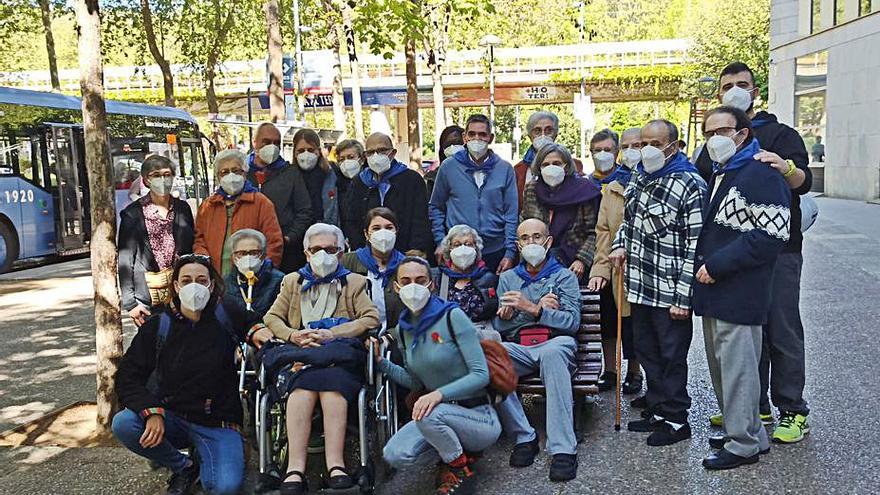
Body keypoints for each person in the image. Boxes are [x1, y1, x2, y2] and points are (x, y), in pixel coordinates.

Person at [696, 62, 813, 443]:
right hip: (732, 260)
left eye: (741, 84)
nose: (734, 90)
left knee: (780, 328)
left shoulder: (780, 135)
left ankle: (792, 409)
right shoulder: (714, 148)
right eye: (727, 86)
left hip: (777, 252)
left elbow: (802, 181)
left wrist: (784, 167)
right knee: (745, 333)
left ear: (755, 91)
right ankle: (751, 408)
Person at [693, 106, 791, 469]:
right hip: (716, 291)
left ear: (743, 134)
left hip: (739, 288)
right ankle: (750, 432)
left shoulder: (760, 173)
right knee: (726, 370)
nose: (715, 139)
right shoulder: (726, 172)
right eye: (708, 133)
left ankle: (743, 444)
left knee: (738, 371)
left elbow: (771, 235)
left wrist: (718, 265)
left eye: (722, 131)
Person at [250, 223, 379, 495]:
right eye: (317, 249)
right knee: (301, 392)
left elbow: (370, 318)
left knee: (332, 390)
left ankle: (336, 465)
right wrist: (294, 335)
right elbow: (272, 317)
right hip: (301, 354)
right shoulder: (292, 281)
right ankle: (294, 468)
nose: (324, 254)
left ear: (342, 253)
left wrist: (333, 333)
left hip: (337, 355)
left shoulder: (354, 282)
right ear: (307, 253)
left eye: (331, 249)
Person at [113, 254, 257, 495]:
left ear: (211, 284)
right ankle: (183, 466)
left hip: (217, 421)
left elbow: (255, 324)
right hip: (172, 417)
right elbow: (127, 376)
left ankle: (218, 453)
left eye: (201, 280)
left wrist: (259, 332)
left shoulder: (226, 313)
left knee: (224, 488)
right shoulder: (159, 324)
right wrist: (151, 412)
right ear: (176, 286)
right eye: (187, 280)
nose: (194, 286)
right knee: (124, 423)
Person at [609, 119, 707, 446]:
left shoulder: (690, 183)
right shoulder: (639, 177)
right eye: (643, 142)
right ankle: (658, 410)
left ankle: (678, 420)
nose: (647, 149)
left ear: (673, 146)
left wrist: (684, 297)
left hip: (670, 291)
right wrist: (619, 244)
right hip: (639, 286)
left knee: (671, 356)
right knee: (648, 352)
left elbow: (696, 244)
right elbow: (629, 222)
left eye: (655, 143)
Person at [377, 257, 501, 495]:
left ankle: (460, 468)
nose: (413, 287)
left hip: (478, 416)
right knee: (395, 453)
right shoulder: (404, 330)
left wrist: (437, 395)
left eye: (420, 280)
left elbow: (481, 374)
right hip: (436, 414)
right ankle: (451, 454)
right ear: (396, 287)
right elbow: (416, 381)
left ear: (431, 284)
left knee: (428, 414)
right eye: (406, 281)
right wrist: (382, 363)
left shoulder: (451, 316)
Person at [493, 218, 581, 481]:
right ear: (518, 245)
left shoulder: (564, 276)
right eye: (525, 238)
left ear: (548, 241)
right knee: (491, 355)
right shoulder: (508, 278)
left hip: (556, 343)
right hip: (521, 346)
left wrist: (532, 308)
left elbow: (571, 323)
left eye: (536, 237)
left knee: (553, 354)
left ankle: (563, 449)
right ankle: (524, 436)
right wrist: (513, 314)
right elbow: (501, 326)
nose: (531, 243)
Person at [588, 127, 643, 395]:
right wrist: (600, 269)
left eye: (639, 145)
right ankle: (610, 370)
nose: (632, 151)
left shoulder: (651, 180)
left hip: (642, 269)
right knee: (609, 321)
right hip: (613, 265)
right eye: (627, 146)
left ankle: (635, 372)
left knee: (635, 325)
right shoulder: (612, 186)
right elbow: (603, 232)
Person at [429, 114, 518, 274]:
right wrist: (441, 241)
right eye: (472, 134)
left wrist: (510, 252)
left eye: (482, 134)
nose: (477, 139)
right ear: (465, 137)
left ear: (490, 138)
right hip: (458, 249)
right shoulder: (449, 167)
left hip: (495, 251)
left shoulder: (505, 169)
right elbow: (436, 206)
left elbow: (511, 214)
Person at [119, 155, 195, 327]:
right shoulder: (132, 214)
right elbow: (125, 259)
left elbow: (190, 248)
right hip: (147, 297)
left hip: (180, 293)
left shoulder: (182, 209)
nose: (163, 179)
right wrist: (130, 303)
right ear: (146, 180)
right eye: (156, 175)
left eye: (167, 174)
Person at [194, 150, 283, 276]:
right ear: (218, 177)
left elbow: (274, 244)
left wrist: (262, 274)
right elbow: (199, 240)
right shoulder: (208, 206)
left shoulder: (261, 203)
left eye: (236, 171)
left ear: (245, 174)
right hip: (215, 277)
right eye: (224, 172)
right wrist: (205, 266)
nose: (230, 176)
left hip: (251, 279)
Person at [520, 142, 599, 280]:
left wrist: (581, 260)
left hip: (573, 260)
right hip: (538, 260)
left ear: (566, 166)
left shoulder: (584, 190)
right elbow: (526, 223)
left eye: (556, 163)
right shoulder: (532, 189)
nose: (551, 168)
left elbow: (593, 232)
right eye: (545, 164)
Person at [344, 133, 433, 255]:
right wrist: (361, 251)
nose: (376, 155)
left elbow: (420, 217)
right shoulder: (359, 182)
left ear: (393, 153)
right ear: (365, 156)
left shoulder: (412, 179)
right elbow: (351, 220)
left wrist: (416, 247)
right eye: (370, 152)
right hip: (368, 255)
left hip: (405, 252)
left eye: (382, 150)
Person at [247, 122, 313, 273]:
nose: (272, 146)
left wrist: (289, 238)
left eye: (276, 143)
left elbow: (305, 211)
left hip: (286, 253)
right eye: (267, 142)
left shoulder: (291, 173)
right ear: (254, 142)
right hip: (248, 251)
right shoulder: (242, 173)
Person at [342, 207, 406, 330]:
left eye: (389, 228)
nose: (383, 233)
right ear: (366, 234)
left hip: (397, 337)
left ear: (396, 231)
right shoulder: (348, 262)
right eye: (376, 228)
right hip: (356, 337)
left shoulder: (407, 265)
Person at [434, 225, 500, 337]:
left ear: (476, 249)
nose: (463, 249)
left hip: (482, 333)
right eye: (457, 245)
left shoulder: (488, 278)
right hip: (448, 333)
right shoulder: (440, 277)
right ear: (449, 250)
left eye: (468, 244)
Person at [513, 111, 584, 212]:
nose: (543, 135)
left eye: (548, 130)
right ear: (530, 136)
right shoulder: (518, 170)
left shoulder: (575, 165)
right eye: (537, 131)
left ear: (555, 134)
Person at [223, 229, 285, 318]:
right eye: (242, 253)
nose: (248, 257)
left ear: (263, 255)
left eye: (254, 253)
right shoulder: (226, 283)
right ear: (233, 257)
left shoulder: (280, 280)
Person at [292, 128, 340, 227]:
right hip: (298, 233)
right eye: (301, 151)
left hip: (328, 230)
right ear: (295, 153)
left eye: (310, 150)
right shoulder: (289, 176)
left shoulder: (332, 172)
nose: (306, 154)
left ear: (318, 151)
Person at [335, 139, 366, 244]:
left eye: (351, 157)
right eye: (341, 159)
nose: (346, 162)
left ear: (361, 159)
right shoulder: (335, 184)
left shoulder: (371, 183)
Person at [425, 125, 465, 198]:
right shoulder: (434, 178)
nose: (452, 147)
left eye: (458, 143)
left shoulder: (478, 172)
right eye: (448, 144)